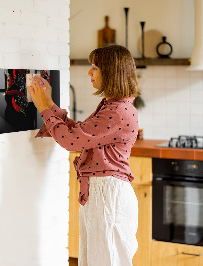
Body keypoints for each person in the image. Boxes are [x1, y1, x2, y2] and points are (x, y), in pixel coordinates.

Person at [28, 44, 140, 266]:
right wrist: (49, 104)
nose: (89, 72)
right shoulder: (113, 106)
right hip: (103, 193)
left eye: (95, 67)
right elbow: (79, 133)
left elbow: (71, 141)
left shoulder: (117, 111)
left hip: (108, 195)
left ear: (111, 72)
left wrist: (43, 107)